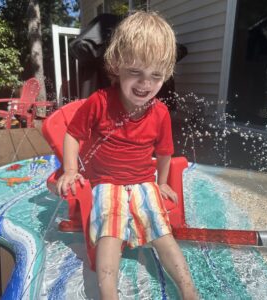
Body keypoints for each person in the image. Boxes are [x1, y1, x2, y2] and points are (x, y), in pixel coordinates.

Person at [57, 11, 198, 300]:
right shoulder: (99, 102)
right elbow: (72, 135)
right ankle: (109, 294)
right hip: (106, 182)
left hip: (143, 182)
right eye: (135, 72)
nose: (145, 83)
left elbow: (164, 152)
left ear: (165, 75)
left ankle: (188, 290)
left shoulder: (159, 113)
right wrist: (71, 170)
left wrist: (161, 183)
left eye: (155, 76)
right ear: (117, 64)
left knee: (162, 234)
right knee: (110, 233)